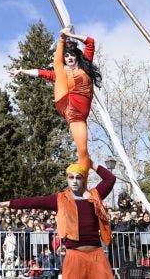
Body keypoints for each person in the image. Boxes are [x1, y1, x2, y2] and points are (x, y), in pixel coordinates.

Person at [0, 161, 115, 278]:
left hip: (96, 254)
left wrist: (91, 164)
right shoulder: (59, 199)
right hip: (74, 255)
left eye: (78, 177)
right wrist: (7, 203)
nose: (74, 181)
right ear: (67, 179)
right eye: (71, 177)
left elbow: (110, 179)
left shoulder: (95, 196)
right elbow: (33, 202)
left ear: (84, 180)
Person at [10, 27, 101, 176]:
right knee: (59, 71)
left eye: (72, 55)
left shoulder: (86, 66)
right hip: (67, 105)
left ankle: (82, 183)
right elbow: (41, 73)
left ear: (77, 56)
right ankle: (60, 40)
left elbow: (90, 42)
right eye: (66, 56)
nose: (69, 58)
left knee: (83, 151)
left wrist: (71, 35)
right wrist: (21, 71)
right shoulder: (62, 72)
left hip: (80, 117)